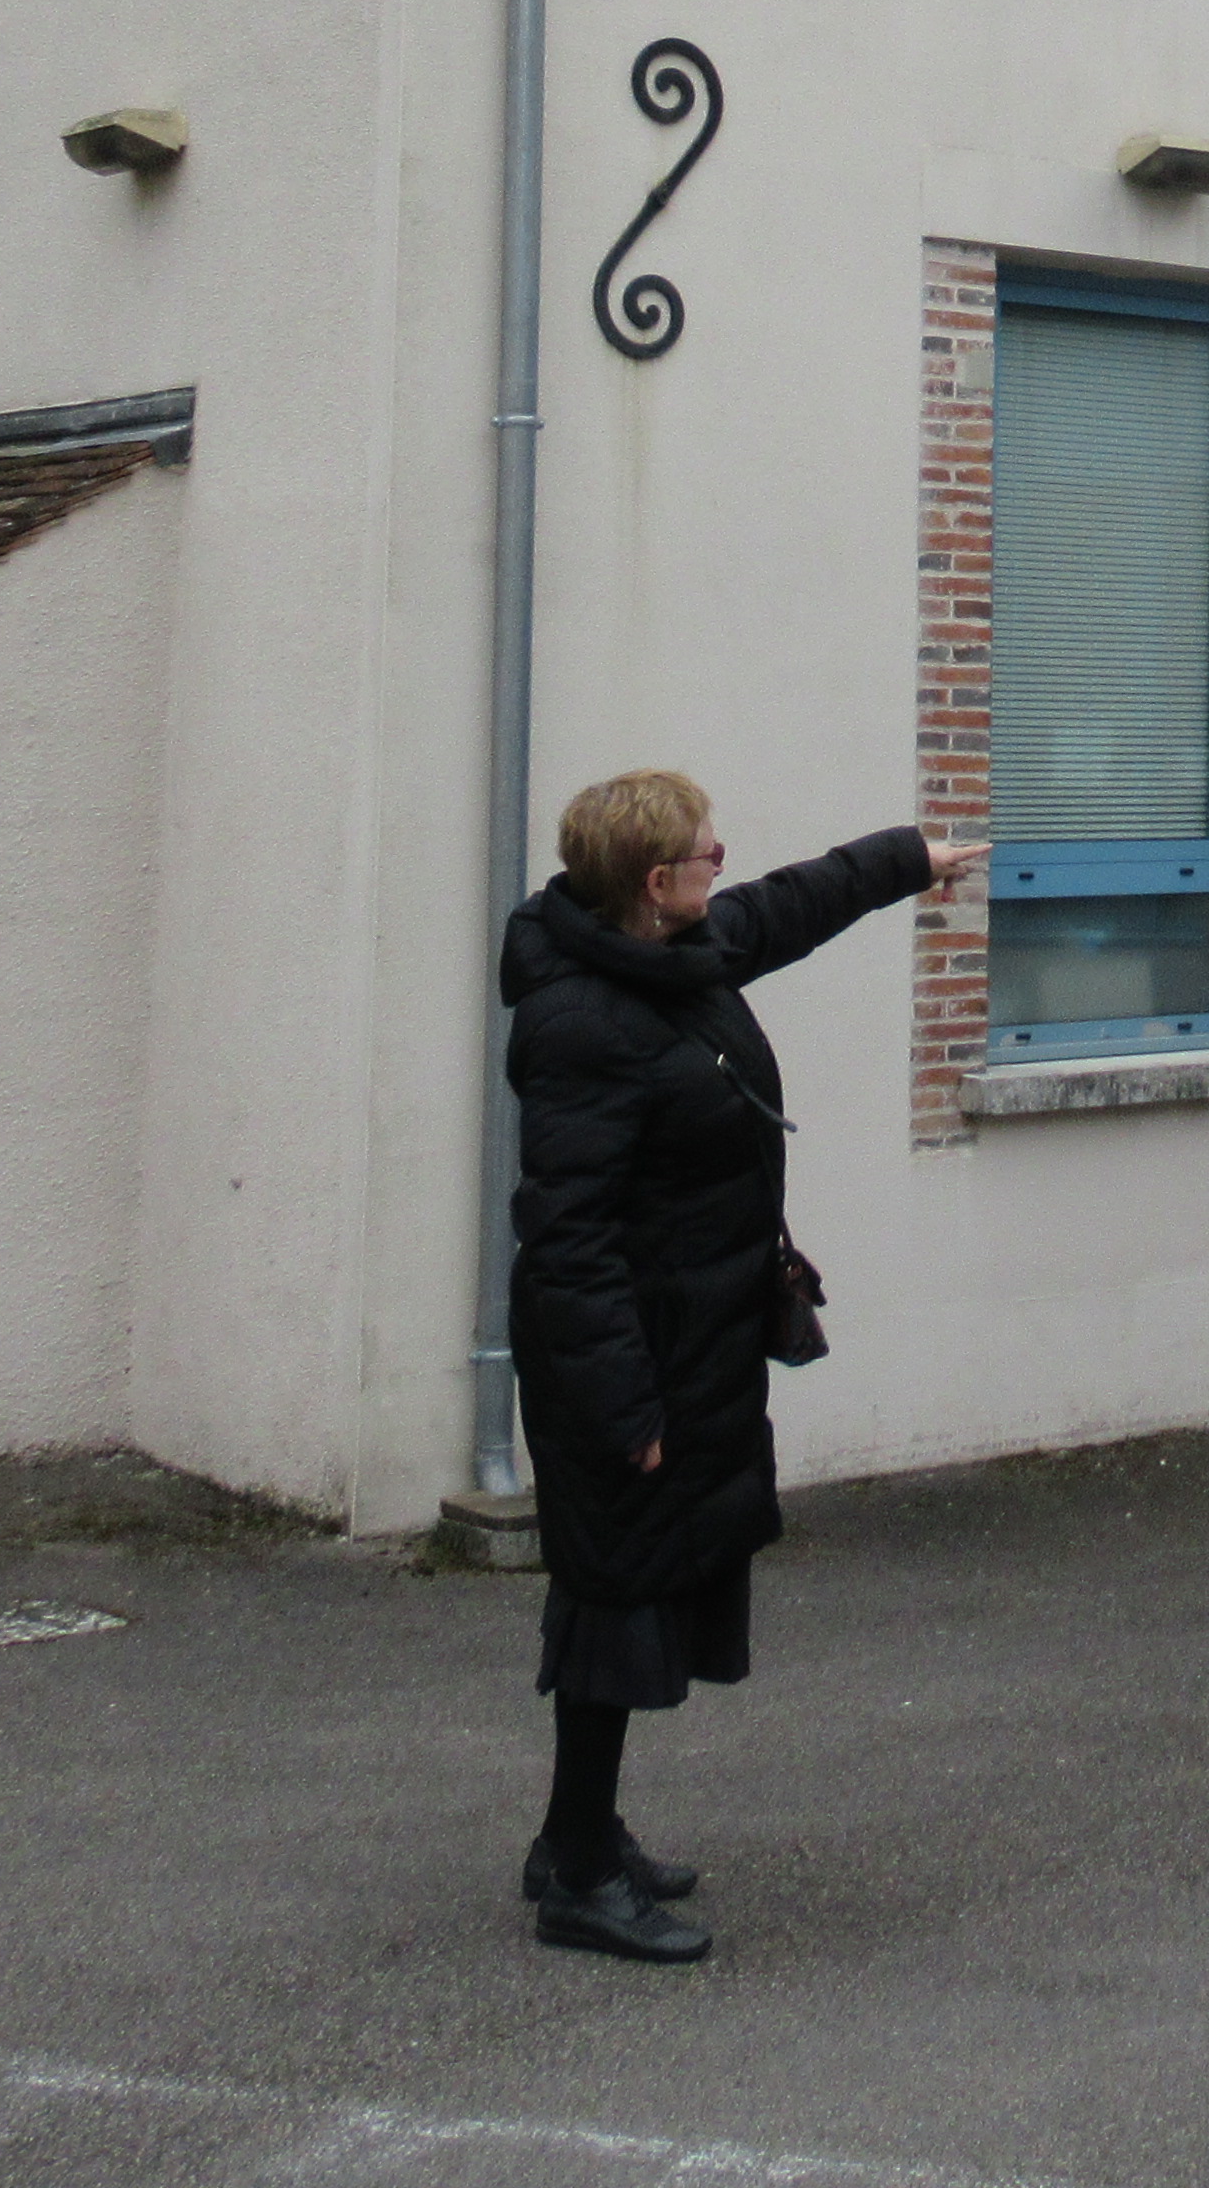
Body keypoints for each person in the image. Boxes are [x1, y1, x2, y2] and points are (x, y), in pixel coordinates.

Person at [500, 770, 982, 1963]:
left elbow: (787, 906)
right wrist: (625, 1406)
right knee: (617, 1599)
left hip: (688, 1337)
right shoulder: (581, 1023)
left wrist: (906, 859)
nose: (725, 861)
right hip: (628, 1360)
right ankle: (579, 1878)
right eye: (704, 853)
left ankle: (574, 1838)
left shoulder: (676, 957)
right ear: (653, 882)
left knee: (628, 1585)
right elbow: (568, 1241)